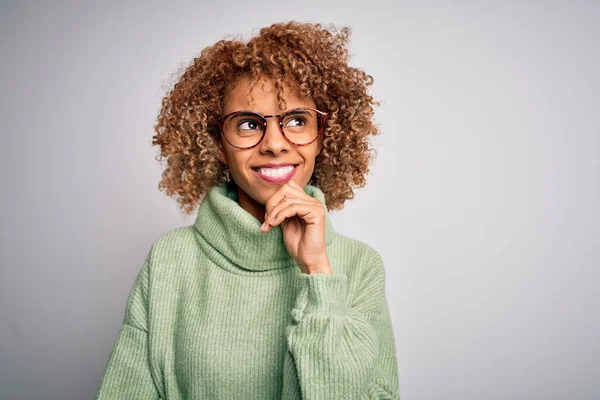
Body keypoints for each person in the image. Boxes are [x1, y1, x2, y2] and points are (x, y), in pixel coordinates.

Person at [96, 21, 400, 399]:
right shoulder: (169, 261)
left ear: (324, 138)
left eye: (296, 120)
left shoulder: (359, 266)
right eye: (248, 124)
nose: (274, 143)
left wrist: (318, 274)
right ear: (217, 144)